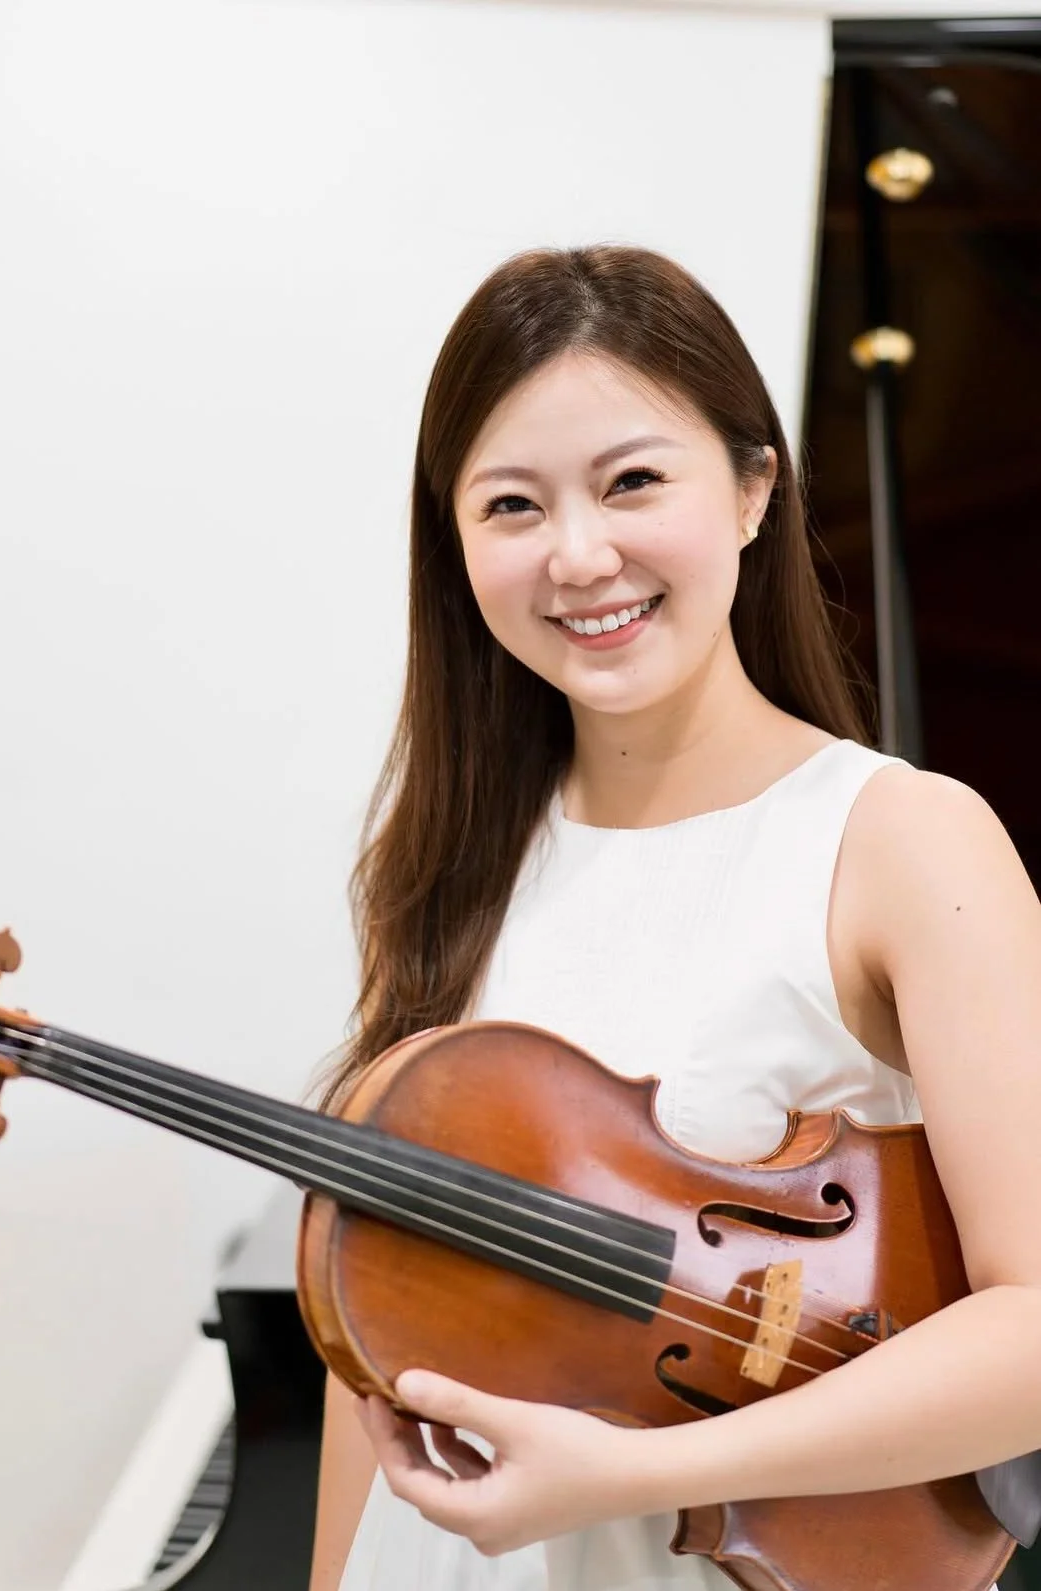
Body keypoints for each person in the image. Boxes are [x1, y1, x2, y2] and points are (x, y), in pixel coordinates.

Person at [307, 244, 1041, 1591]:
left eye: (634, 481)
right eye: (512, 505)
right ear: (455, 539)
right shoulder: (452, 862)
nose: (580, 556)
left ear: (754, 488)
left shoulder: (903, 841)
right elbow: (379, 1324)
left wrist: (648, 1475)